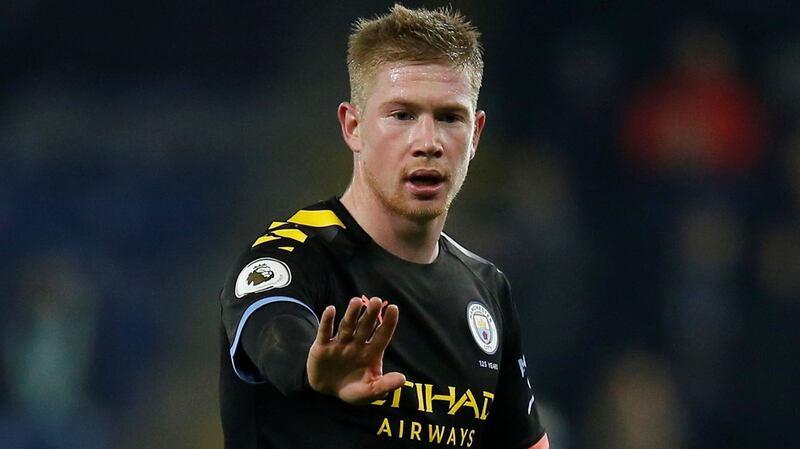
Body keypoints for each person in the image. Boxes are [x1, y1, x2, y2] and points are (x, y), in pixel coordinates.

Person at [218, 5, 549, 448]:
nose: (428, 143)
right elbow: (272, 325)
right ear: (353, 127)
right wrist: (312, 365)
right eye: (402, 115)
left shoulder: (487, 289)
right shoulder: (293, 254)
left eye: (450, 117)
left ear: (475, 136)